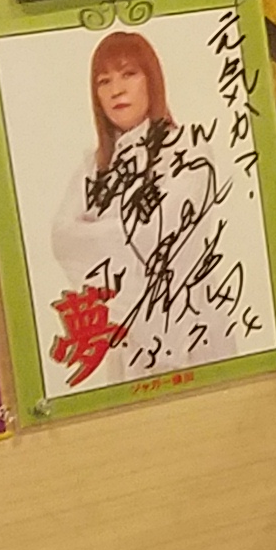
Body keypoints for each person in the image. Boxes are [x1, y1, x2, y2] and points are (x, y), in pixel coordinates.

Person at [47, 26, 239, 380]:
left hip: (191, 330)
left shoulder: (189, 150)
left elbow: (159, 238)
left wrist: (101, 232)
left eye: (128, 74)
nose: (116, 90)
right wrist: (123, 235)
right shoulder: (93, 166)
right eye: (104, 81)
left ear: (152, 80)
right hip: (127, 339)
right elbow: (63, 239)